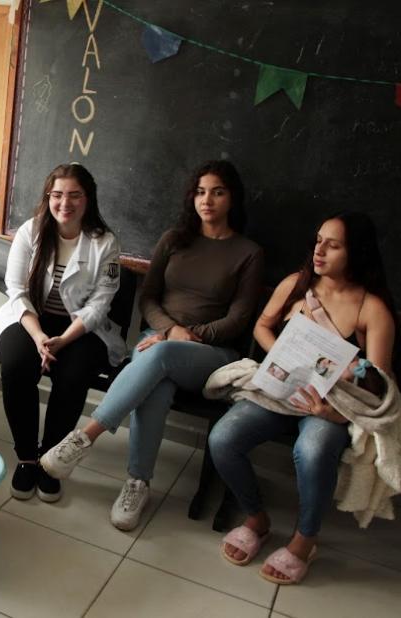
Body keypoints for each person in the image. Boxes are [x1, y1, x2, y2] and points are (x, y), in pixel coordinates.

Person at [41, 160, 264, 530]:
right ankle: (137, 483)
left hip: (212, 354)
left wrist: (188, 335)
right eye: (201, 191)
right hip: (158, 340)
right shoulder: (174, 240)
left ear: (233, 199)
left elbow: (239, 319)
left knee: (158, 355)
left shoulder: (248, 252)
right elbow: (149, 298)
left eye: (218, 192)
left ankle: (83, 438)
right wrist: (168, 330)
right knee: (156, 385)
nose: (207, 200)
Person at [209, 212, 395, 584]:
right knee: (222, 439)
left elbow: (377, 388)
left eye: (333, 244)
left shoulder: (371, 309)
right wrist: (281, 355)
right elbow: (263, 324)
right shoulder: (296, 284)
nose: (319, 250)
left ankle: (303, 541)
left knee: (311, 450)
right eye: (318, 240)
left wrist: (334, 414)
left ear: (355, 252)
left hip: (331, 406)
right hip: (282, 391)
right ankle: (257, 519)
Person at [0, 163, 124, 502]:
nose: (65, 203)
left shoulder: (105, 243)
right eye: (57, 194)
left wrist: (62, 341)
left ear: (88, 199)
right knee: (17, 365)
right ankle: (28, 457)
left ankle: (51, 461)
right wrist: (38, 338)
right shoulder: (30, 231)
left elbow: (98, 306)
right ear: (48, 197)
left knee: (74, 375)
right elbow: (16, 290)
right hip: (30, 319)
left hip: (79, 328)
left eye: (75, 195)